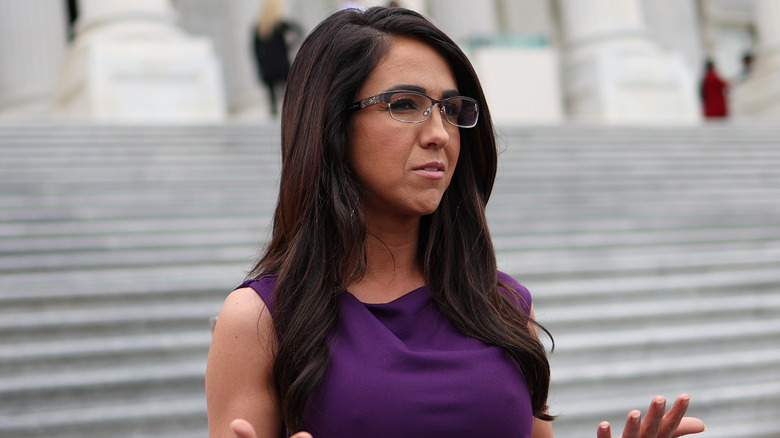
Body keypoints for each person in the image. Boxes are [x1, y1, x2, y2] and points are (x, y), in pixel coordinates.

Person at [206, 7, 707, 438]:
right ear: (331, 124)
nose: (440, 134)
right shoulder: (259, 319)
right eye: (405, 104)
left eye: (451, 108)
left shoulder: (505, 306)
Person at [252, 0, 301, 116]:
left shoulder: (259, 27)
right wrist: (290, 45)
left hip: (268, 66)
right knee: (290, 93)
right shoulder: (280, 25)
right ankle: (290, 114)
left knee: (272, 100)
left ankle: (274, 115)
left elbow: (255, 50)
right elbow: (299, 31)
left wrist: (260, 66)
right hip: (281, 64)